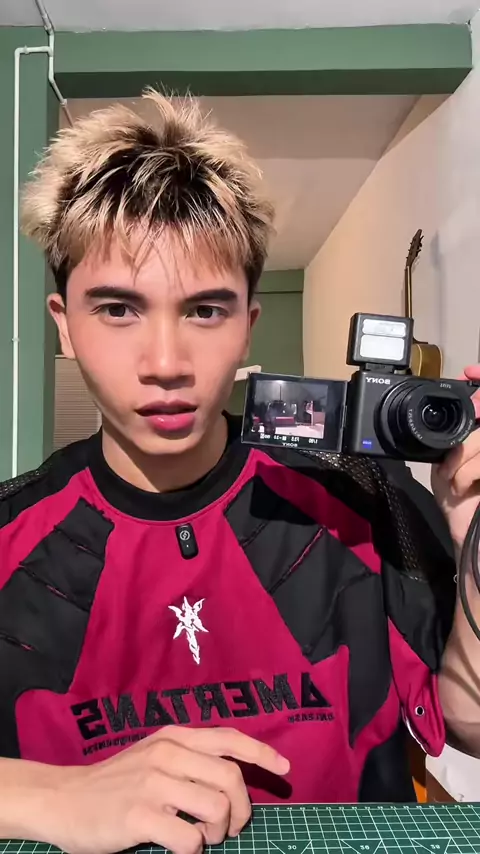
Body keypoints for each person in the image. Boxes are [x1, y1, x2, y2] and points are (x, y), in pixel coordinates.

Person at [1, 89, 480, 854]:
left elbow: (467, 719)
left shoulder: (360, 497)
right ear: (64, 324)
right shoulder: (8, 538)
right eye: (118, 309)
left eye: (205, 310)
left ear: (249, 323)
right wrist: (45, 793)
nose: (166, 363)